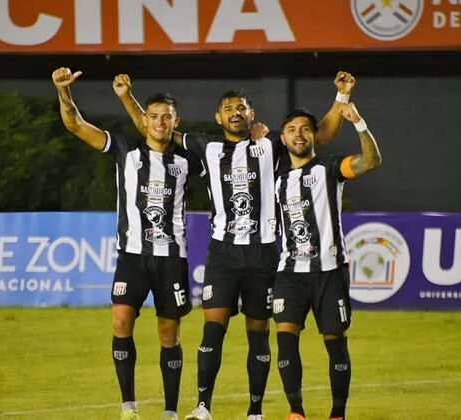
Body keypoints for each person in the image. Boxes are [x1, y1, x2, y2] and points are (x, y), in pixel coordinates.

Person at [115, 73, 355, 420]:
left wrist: (341, 96)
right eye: (228, 108)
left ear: (251, 113)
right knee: (213, 327)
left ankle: (255, 411)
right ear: (218, 118)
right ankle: (202, 407)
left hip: (264, 252)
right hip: (223, 252)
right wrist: (128, 97)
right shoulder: (205, 145)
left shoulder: (271, 143)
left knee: (258, 332)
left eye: (241, 107)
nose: (235, 112)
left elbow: (320, 135)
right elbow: (156, 128)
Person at [52, 67, 202, 420]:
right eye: (153, 116)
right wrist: (63, 92)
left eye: (166, 117)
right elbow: (75, 125)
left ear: (175, 121)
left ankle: (169, 411)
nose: (160, 122)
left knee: (169, 334)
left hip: (171, 259)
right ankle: (129, 406)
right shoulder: (124, 149)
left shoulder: (189, 160)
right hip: (132, 257)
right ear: (145, 120)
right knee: (120, 322)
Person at [273, 104, 382, 420]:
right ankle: (296, 412)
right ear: (283, 137)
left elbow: (372, 161)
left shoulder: (329, 168)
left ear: (314, 136)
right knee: (285, 340)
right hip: (290, 272)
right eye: (292, 129)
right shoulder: (275, 178)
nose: (298, 134)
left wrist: (359, 123)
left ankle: (337, 414)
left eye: (305, 128)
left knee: (335, 344)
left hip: (330, 271)